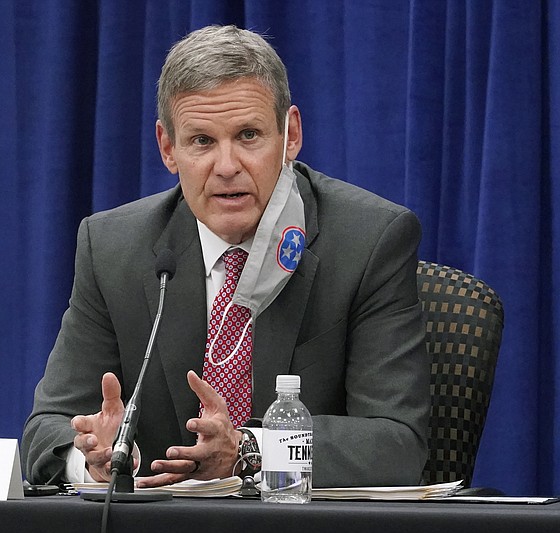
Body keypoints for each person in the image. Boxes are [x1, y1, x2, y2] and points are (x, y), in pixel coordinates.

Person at [22, 25, 430, 488]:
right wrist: (94, 459)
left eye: (249, 134)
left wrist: (251, 452)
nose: (228, 165)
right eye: (202, 141)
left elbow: (398, 442)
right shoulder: (113, 247)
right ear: (168, 148)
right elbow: (47, 428)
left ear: (290, 135)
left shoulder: (369, 241)